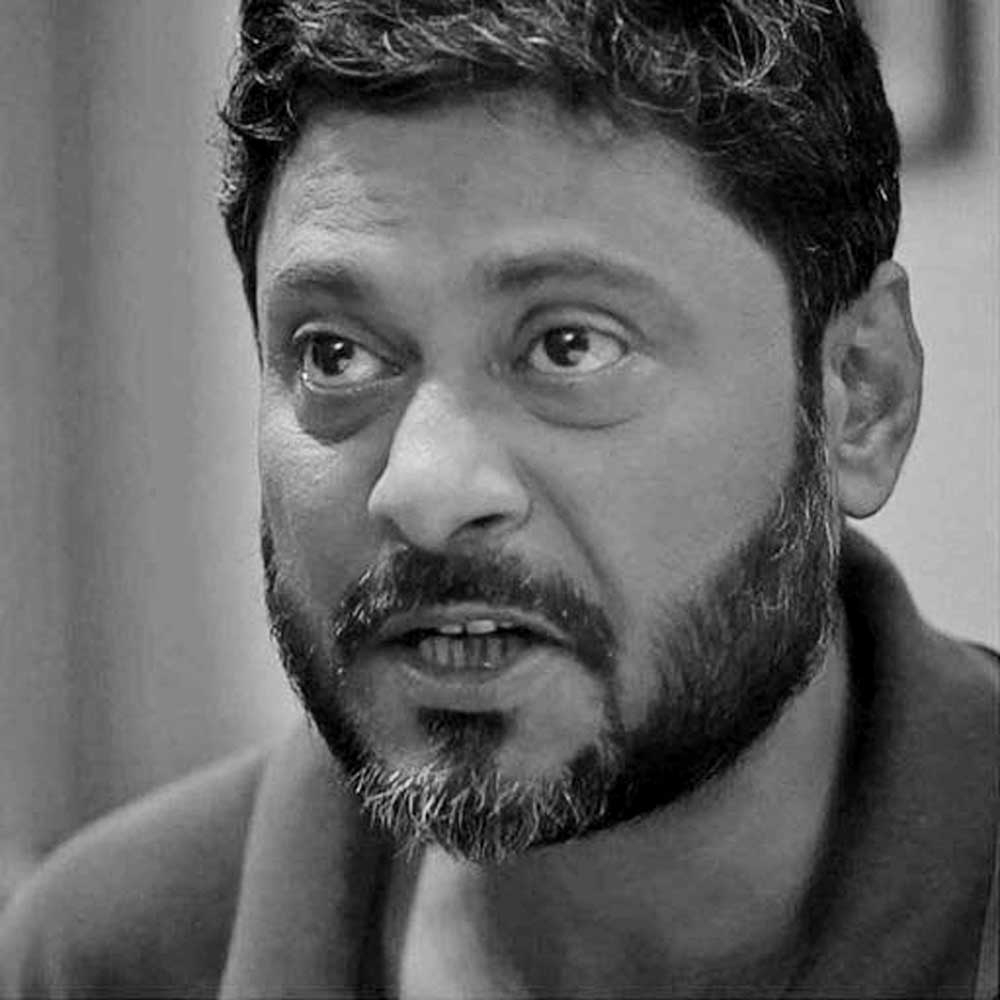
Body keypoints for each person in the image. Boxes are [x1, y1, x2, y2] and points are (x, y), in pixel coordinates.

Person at [2, 0, 997, 995]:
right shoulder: (101, 959)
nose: (426, 491)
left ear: (861, 394)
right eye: (336, 355)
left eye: (570, 345)